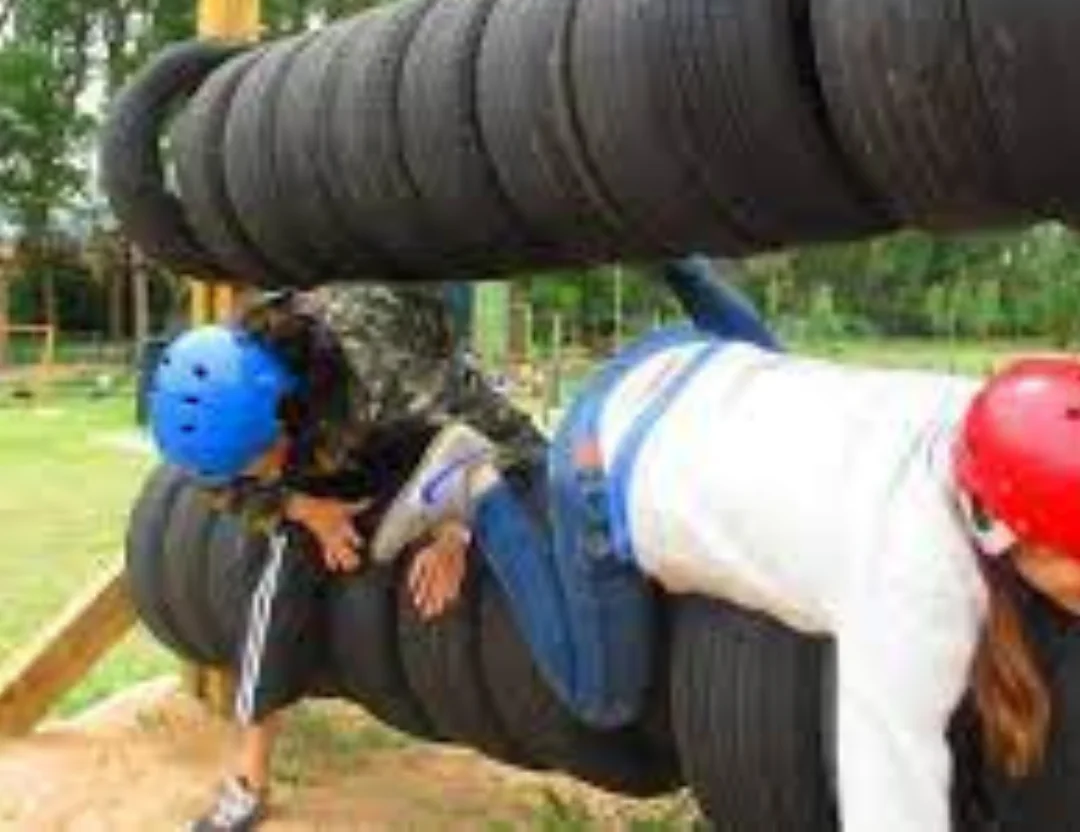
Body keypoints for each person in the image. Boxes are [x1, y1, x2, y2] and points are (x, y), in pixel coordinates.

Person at [374, 262, 1080, 832]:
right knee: (603, 696)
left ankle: (682, 261)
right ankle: (477, 484)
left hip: (693, 360)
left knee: (794, 380)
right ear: (1004, 528)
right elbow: (892, 804)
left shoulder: (981, 407)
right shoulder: (914, 589)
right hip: (603, 453)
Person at [147, 281, 545, 832]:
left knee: (451, 493)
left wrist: (456, 527)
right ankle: (248, 780)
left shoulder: (389, 366)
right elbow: (220, 484)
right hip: (326, 436)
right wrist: (304, 509)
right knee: (277, 570)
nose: (248, 476)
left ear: (282, 415)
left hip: (412, 431)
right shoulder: (224, 382)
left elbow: (512, 445)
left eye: (254, 462)